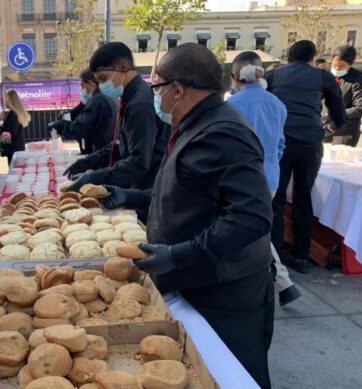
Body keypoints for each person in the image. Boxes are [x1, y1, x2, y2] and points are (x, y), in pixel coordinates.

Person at [102, 43, 275, 388]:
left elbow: (251, 217)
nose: (157, 97)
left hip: (226, 295)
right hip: (196, 284)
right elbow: (184, 191)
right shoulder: (196, 124)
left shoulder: (224, 133)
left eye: (158, 87)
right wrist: (131, 197)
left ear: (177, 90)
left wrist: (179, 255)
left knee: (231, 377)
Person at [227, 51, 301, 307]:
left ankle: (282, 282)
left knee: (251, 231)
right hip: (270, 177)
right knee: (257, 228)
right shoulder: (277, 104)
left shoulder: (233, 106)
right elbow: (280, 145)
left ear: (235, 77)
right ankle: (283, 284)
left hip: (241, 178)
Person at [266, 40, 346, 274]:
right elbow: (339, 114)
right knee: (303, 200)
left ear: (289, 56)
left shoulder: (275, 76)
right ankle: (301, 257)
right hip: (310, 144)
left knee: (277, 201)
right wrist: (327, 129)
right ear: (313, 57)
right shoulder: (323, 78)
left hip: (281, 142)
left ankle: (277, 257)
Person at [66, 42, 167, 192]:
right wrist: (87, 161)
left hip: (146, 191)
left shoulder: (140, 103)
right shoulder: (129, 98)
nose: (101, 86)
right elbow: (120, 144)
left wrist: (94, 178)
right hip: (136, 186)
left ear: (122, 67)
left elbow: (138, 163)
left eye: (103, 78)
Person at [51, 68, 116, 154]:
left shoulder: (97, 101)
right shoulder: (107, 97)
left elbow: (78, 129)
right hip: (106, 149)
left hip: (101, 152)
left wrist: (60, 125)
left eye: (82, 86)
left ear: (90, 83)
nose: (81, 90)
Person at [324, 45, 362, 147]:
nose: (337, 68)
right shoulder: (326, 75)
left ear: (350, 64)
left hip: (345, 131)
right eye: (334, 65)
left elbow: (359, 108)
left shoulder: (357, 78)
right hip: (325, 129)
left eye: (341, 66)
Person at [0, 89, 29, 165]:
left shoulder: (13, 114)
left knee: (15, 171)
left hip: (14, 149)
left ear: (10, 100)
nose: (5, 101)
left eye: (6, 98)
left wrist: (0, 128)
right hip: (18, 148)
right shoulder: (16, 113)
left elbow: (12, 131)